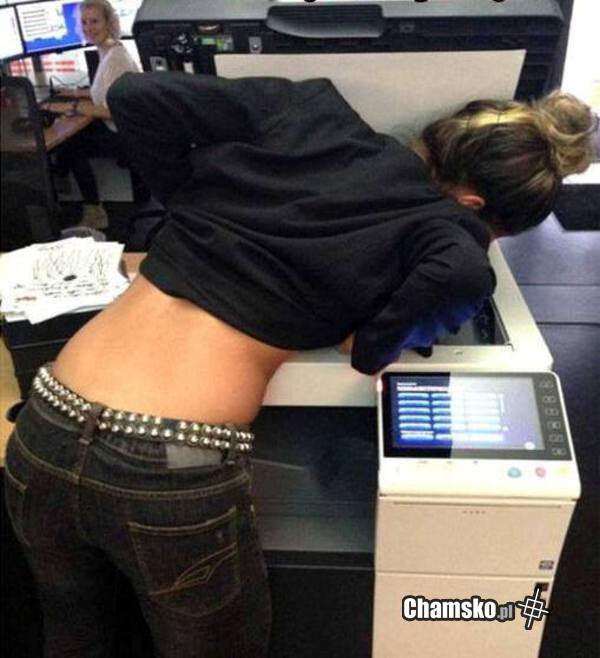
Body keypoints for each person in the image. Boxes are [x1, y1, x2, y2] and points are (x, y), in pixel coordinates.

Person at [4, 72, 595, 657]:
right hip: (165, 466)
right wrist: (454, 252)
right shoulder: (448, 239)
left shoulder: (312, 109)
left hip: (46, 423)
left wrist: (192, 205)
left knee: (78, 636)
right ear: (472, 207)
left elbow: (132, 95)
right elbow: (373, 346)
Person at [44, 0, 140, 229]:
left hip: (123, 134)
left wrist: (71, 106)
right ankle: (60, 177)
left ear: (109, 22)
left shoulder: (114, 58)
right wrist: (75, 93)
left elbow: (111, 111)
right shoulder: (108, 49)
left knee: (71, 142)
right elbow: (104, 90)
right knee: (67, 129)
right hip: (121, 127)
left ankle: (93, 209)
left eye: (95, 21)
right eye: (84, 22)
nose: (89, 28)